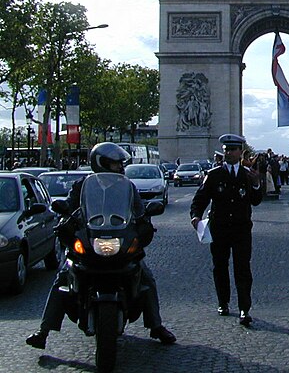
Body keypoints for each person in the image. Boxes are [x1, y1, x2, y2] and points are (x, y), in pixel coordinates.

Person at [26, 142, 176, 349]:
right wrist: (65, 218)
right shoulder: (82, 185)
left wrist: (144, 222)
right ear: (102, 163)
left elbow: (139, 210)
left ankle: (156, 325)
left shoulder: (128, 186)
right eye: (116, 164)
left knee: (146, 277)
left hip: (118, 239)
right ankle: (43, 331)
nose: (121, 168)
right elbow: (69, 207)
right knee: (62, 277)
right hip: (90, 239)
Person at [190, 134, 262, 326]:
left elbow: (256, 200)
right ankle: (223, 302)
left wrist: (256, 184)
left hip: (241, 230)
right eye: (226, 150)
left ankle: (244, 309)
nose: (228, 153)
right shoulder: (213, 175)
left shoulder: (248, 174)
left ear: (240, 152)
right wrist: (195, 216)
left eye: (232, 150)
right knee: (219, 267)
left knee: (243, 269)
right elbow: (200, 199)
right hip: (219, 229)